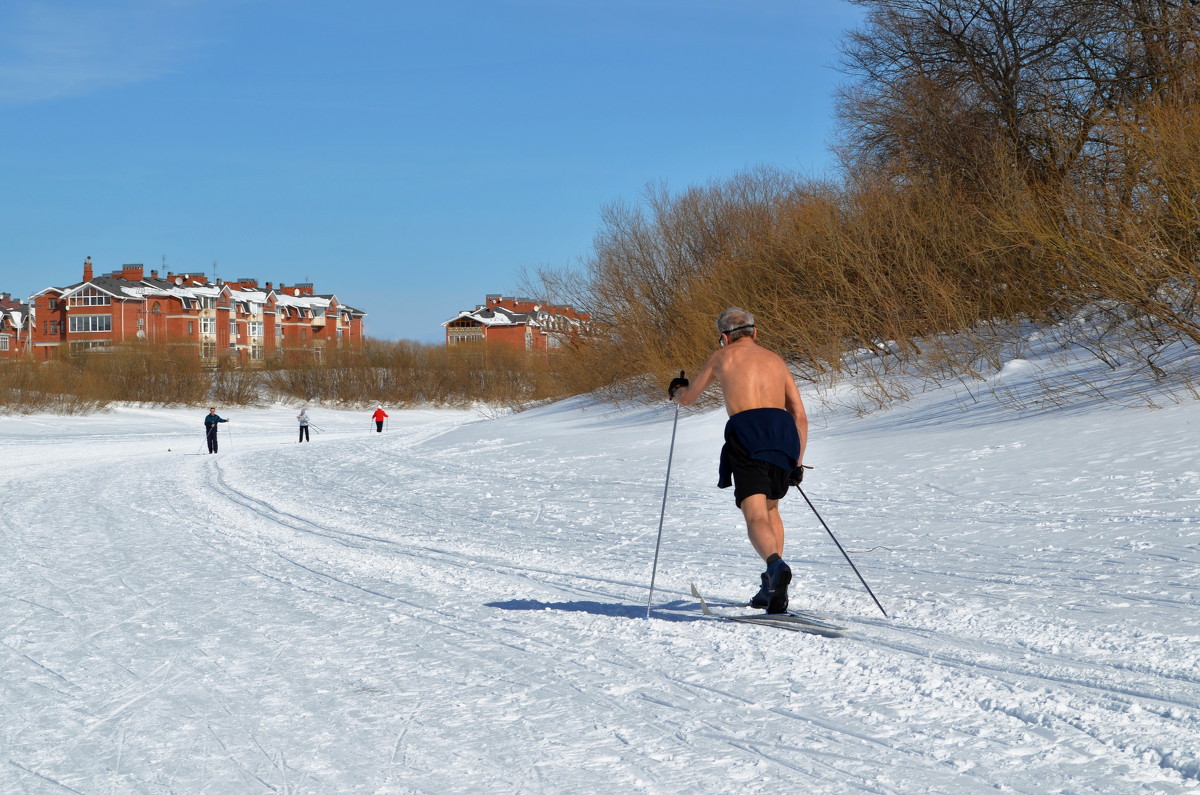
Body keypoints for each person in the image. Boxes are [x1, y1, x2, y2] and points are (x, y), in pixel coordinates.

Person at [669, 308, 808, 614]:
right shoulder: (776, 360)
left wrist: (677, 391)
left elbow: (690, 397)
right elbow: (799, 415)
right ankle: (770, 587)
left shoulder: (721, 358)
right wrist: (797, 461)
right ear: (754, 332)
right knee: (772, 509)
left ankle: (775, 567)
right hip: (782, 434)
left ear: (723, 337)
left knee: (755, 513)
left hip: (748, 433)